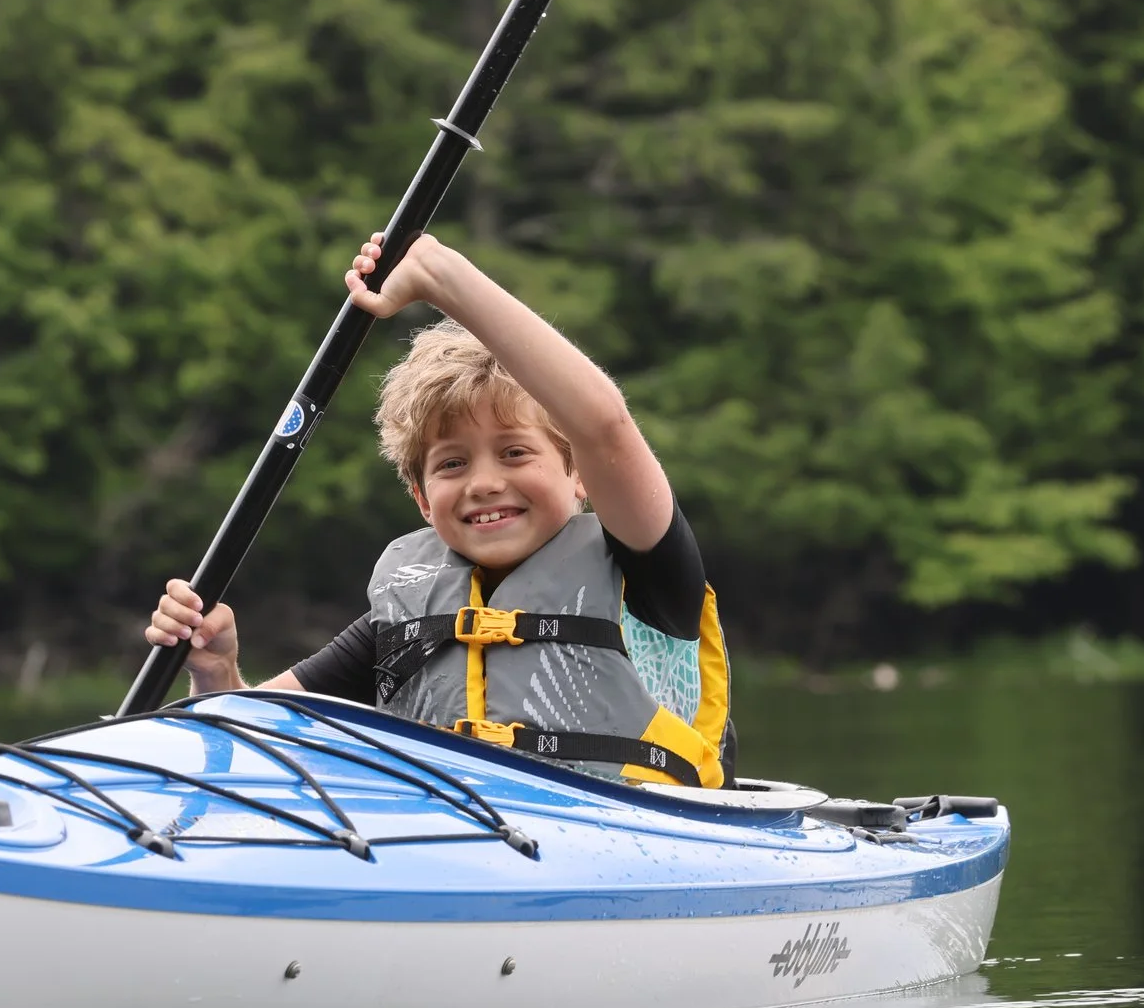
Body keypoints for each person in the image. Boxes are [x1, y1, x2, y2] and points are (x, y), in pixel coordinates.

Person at [144, 230, 732, 788]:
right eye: (452, 464)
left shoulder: (646, 569)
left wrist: (441, 276)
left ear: (578, 473)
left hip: (633, 844)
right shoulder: (403, 615)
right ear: (423, 500)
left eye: (515, 452)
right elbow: (251, 739)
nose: (484, 483)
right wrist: (216, 675)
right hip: (465, 853)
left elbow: (605, 426)